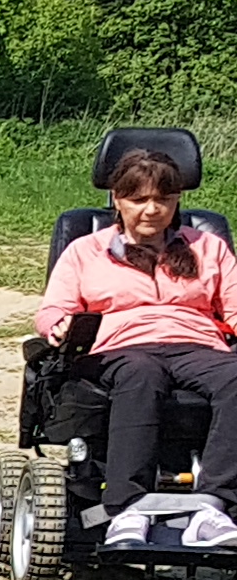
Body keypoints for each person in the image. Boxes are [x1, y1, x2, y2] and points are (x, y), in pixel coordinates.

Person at [37, 143, 237, 535]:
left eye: (163, 199)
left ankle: (216, 505)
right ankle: (127, 506)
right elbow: (51, 310)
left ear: (177, 200)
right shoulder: (86, 250)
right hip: (120, 347)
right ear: (117, 199)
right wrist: (59, 325)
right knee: (141, 373)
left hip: (197, 344)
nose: (151, 209)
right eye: (139, 199)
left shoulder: (207, 246)